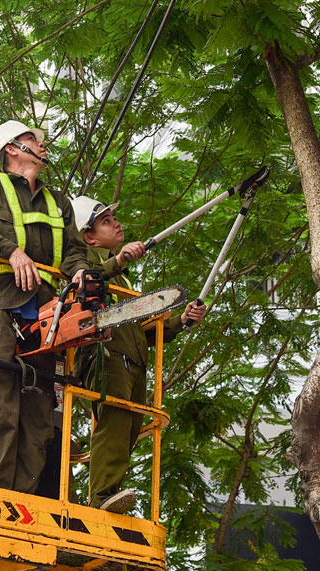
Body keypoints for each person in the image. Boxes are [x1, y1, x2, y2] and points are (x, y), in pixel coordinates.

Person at [0, 120, 89, 494]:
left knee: (39, 416)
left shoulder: (59, 202)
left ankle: (24, 508)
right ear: (11, 149)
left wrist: (81, 273)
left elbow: (74, 250)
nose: (42, 146)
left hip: (48, 315)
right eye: (32, 140)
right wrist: (10, 251)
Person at [70, 196, 207, 514]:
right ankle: (101, 495)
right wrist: (116, 261)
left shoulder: (120, 278)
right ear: (88, 234)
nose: (116, 223)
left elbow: (138, 331)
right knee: (115, 421)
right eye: (106, 221)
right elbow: (79, 286)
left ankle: (109, 492)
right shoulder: (84, 258)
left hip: (132, 357)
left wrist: (180, 322)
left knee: (129, 427)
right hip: (105, 354)